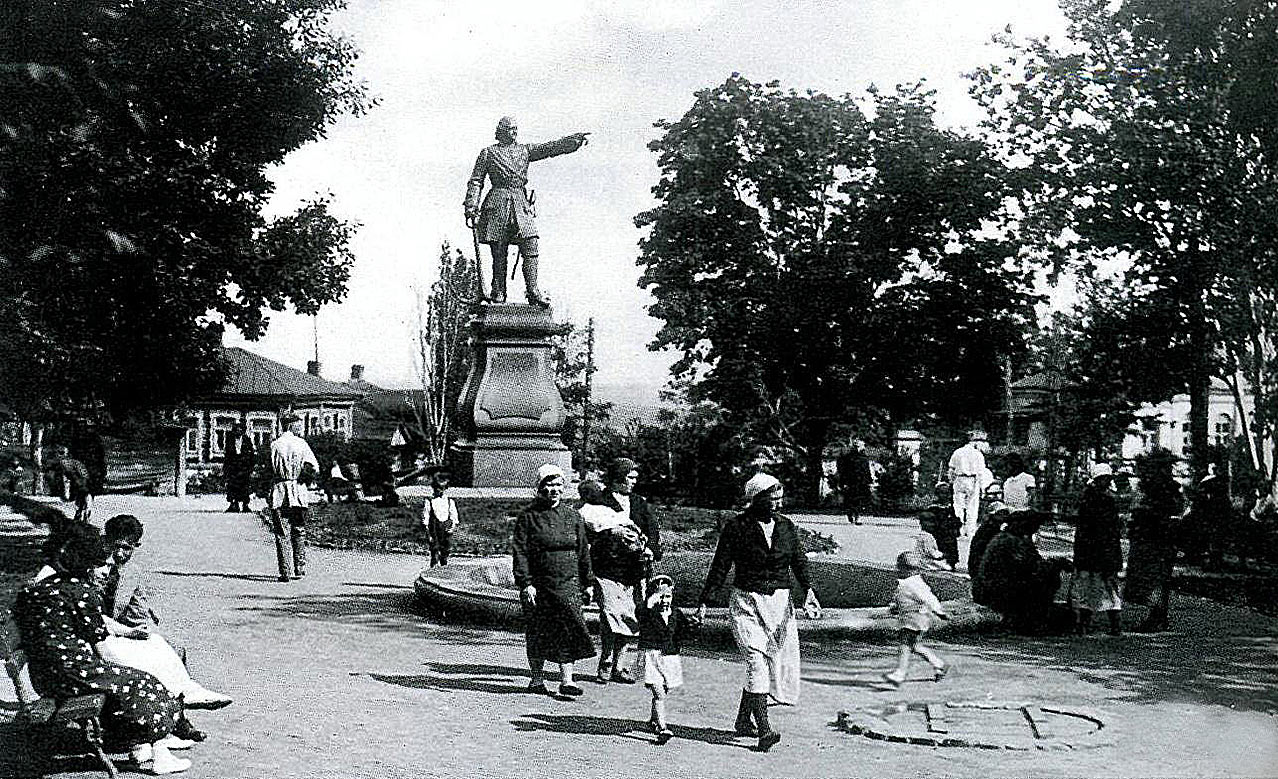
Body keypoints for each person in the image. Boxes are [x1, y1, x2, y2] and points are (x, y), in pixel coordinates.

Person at [14, 522, 192, 774]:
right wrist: (120, 668)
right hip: (73, 675)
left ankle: (143, 748)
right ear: (87, 562)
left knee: (131, 685)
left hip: (44, 677)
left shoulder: (38, 590)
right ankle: (155, 751)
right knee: (145, 683)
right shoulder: (79, 592)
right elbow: (101, 647)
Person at [697, 473, 818, 753]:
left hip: (779, 604)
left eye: (780, 498)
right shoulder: (737, 527)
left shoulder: (786, 527)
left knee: (768, 661)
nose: (777, 503)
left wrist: (809, 590)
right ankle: (764, 729)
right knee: (755, 659)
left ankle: (743, 720)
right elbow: (721, 565)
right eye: (771, 498)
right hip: (746, 602)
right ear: (755, 498)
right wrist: (705, 600)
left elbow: (798, 561)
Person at [96, 515, 232, 713]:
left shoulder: (132, 572)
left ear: (136, 546)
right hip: (105, 631)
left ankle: (178, 712)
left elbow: (138, 611)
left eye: (127, 548)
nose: (119, 553)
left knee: (176, 648)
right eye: (115, 546)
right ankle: (171, 708)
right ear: (106, 541)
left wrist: (144, 626)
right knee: (151, 655)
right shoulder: (96, 567)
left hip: (126, 627)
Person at [463, 116, 590, 306]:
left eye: (516, 128)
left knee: (531, 243)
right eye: (511, 129)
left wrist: (573, 141)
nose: (515, 132)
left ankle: (533, 290)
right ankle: (498, 291)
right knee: (499, 250)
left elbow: (549, 149)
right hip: (497, 204)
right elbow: (476, 180)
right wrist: (471, 206)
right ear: (501, 131)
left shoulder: (525, 150)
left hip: (521, 204)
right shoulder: (488, 153)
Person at [511, 464, 596, 698]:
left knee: (568, 627)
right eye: (548, 485)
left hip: (568, 583)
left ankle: (567, 680)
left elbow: (582, 551)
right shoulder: (528, 517)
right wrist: (526, 583)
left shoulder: (573, 516)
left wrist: (588, 582)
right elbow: (520, 552)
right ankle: (537, 679)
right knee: (538, 630)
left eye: (558, 484)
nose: (554, 490)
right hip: (539, 586)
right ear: (539, 488)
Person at [581, 457, 661, 684]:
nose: (634, 481)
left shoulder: (638, 503)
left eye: (635, 477)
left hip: (635, 569)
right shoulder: (599, 500)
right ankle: (606, 659)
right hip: (608, 568)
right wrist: (611, 533)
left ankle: (620, 663)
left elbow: (653, 532)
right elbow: (586, 533)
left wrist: (651, 551)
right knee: (610, 614)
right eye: (630, 477)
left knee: (631, 615)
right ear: (618, 477)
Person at [974, 510, 1071, 634]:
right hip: (997, 590)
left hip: (1001, 586)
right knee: (1047, 580)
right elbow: (1030, 567)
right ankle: (1023, 618)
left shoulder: (1010, 539)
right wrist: (1057, 564)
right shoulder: (1009, 541)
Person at [1123, 451, 1184, 633]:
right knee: (1160, 580)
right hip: (1163, 540)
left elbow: (1150, 514)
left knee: (1153, 579)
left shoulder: (1156, 491)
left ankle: (1156, 615)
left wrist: (1140, 514)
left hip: (1153, 540)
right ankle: (1159, 615)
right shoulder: (1172, 489)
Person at [636, 574, 700, 745]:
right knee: (658, 693)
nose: (664, 600)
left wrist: (694, 625)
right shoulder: (648, 612)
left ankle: (653, 719)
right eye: (660, 596)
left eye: (668, 596)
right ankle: (663, 728)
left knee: (663, 692)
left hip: (669, 657)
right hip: (651, 655)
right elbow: (640, 617)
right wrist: (649, 603)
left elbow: (684, 633)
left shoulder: (676, 614)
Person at [1069, 464, 1125, 636]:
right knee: (1090, 586)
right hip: (1093, 550)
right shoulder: (1094, 501)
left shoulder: (1101, 500)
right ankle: (1085, 623)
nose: (1105, 482)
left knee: (1104, 587)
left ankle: (1111, 623)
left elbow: (1113, 531)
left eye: (1106, 479)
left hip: (1100, 551)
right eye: (1102, 479)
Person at [882, 551, 949, 687]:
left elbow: (929, 598)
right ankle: (939, 664)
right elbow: (902, 597)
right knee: (914, 645)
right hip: (910, 617)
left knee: (905, 645)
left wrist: (939, 611)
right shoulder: (906, 582)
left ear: (912, 570)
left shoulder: (914, 583)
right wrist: (895, 606)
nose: (899, 570)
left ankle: (900, 674)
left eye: (903, 568)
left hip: (916, 617)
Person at [267, 414, 319, 583]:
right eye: (298, 425)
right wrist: (302, 476)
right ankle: (300, 567)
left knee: (281, 532)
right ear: (290, 426)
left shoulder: (274, 445)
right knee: (298, 529)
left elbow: (267, 470)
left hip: (280, 491)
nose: (299, 428)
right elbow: (314, 467)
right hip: (298, 491)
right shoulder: (301, 444)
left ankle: (285, 571)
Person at [947, 430, 989, 537]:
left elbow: (951, 469)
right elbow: (981, 471)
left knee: (958, 505)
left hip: (959, 479)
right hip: (973, 480)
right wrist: (982, 487)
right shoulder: (978, 454)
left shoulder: (957, 452)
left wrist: (951, 482)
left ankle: (959, 530)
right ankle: (970, 531)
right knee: (972, 506)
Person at [917, 482, 961, 570]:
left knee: (951, 548)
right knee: (940, 548)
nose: (945, 496)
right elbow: (930, 520)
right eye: (942, 493)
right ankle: (942, 562)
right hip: (939, 534)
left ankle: (951, 563)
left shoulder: (950, 507)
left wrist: (956, 525)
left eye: (947, 493)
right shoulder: (934, 508)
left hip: (950, 534)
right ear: (937, 494)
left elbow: (954, 519)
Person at [422, 465, 459, 567]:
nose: (439, 491)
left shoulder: (449, 501)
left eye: (442, 488)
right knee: (434, 552)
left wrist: (452, 528)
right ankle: (433, 571)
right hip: (434, 530)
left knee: (445, 553)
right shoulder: (429, 501)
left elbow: (454, 517)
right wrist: (428, 534)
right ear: (433, 488)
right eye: (437, 488)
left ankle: (443, 571)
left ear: (445, 489)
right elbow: (426, 519)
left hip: (445, 530)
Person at [46, 443, 93, 522]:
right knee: (82, 495)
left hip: (81, 478)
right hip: (80, 478)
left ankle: (84, 513)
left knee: (84, 494)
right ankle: (82, 512)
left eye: (60, 453)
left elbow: (74, 474)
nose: (58, 456)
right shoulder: (67, 462)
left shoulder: (66, 463)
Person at [836, 439, 874, 524]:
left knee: (860, 500)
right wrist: (843, 482)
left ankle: (857, 517)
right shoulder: (848, 458)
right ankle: (850, 513)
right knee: (850, 499)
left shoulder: (864, 458)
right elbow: (844, 471)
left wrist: (869, 482)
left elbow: (867, 471)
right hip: (851, 482)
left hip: (861, 482)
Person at [223, 421, 255, 512]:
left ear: (243, 431)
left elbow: (251, 454)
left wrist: (250, 467)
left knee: (245, 486)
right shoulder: (230, 440)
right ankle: (234, 504)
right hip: (233, 467)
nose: (238, 432)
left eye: (240, 430)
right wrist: (226, 469)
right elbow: (227, 455)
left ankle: (245, 505)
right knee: (232, 486)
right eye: (236, 430)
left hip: (244, 467)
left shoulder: (247, 440)